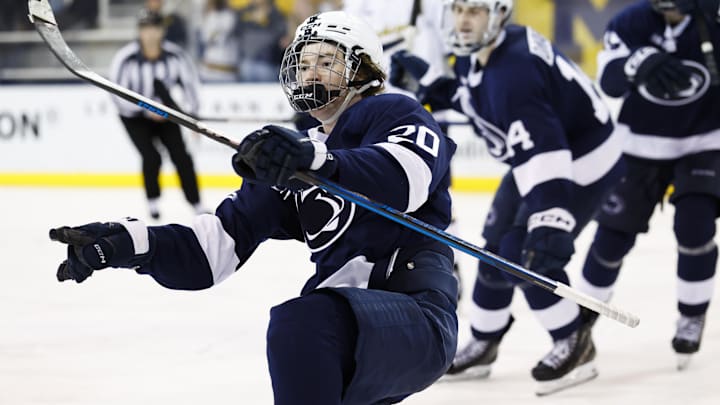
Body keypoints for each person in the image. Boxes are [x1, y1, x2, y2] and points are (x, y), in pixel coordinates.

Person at [50, 11, 459, 405]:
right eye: (304, 62)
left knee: (301, 326)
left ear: (363, 69)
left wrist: (313, 161)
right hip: (357, 328)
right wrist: (133, 244)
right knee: (308, 332)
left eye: (327, 61)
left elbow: (406, 178)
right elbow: (213, 250)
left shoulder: (392, 110)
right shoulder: (300, 155)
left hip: (417, 313)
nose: (311, 72)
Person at [391, 0, 625, 395]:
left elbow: (546, 150)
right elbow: (478, 97)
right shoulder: (481, 53)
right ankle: (484, 339)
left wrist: (551, 222)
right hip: (540, 156)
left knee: (524, 252)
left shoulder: (513, 71)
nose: (464, 21)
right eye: (459, 10)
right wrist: (434, 87)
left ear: (498, 15)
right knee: (495, 246)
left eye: (475, 12)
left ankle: (574, 339)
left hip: (580, 163)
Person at [576, 0, 720, 371]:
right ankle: (579, 326)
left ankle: (692, 315)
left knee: (695, 227)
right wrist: (635, 63)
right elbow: (609, 81)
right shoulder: (630, 21)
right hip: (639, 143)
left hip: (705, 142)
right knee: (610, 238)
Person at [108, 9, 207, 220]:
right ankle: (152, 201)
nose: (150, 34)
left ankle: (196, 203)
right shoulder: (125, 59)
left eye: (154, 28)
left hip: (166, 114)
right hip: (134, 117)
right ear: (139, 32)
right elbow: (117, 95)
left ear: (162, 31)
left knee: (181, 156)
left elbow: (191, 87)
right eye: (145, 28)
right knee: (151, 157)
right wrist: (146, 110)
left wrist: (193, 118)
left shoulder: (175, 56)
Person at [197, 0, 240, 82]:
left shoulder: (230, 16)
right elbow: (205, 37)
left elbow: (220, 37)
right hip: (209, 70)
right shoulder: (208, 16)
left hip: (227, 70)